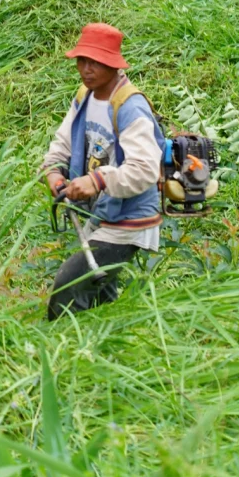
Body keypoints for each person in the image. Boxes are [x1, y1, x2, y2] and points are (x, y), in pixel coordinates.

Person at [42, 22, 164, 320]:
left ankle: (62, 346)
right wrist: (54, 170)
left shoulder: (129, 107)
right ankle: (111, 342)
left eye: (95, 62)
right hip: (102, 212)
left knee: (69, 285)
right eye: (81, 61)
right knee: (100, 291)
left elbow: (145, 170)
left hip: (128, 218)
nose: (86, 68)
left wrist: (97, 180)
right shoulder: (85, 96)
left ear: (113, 64)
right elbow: (64, 140)